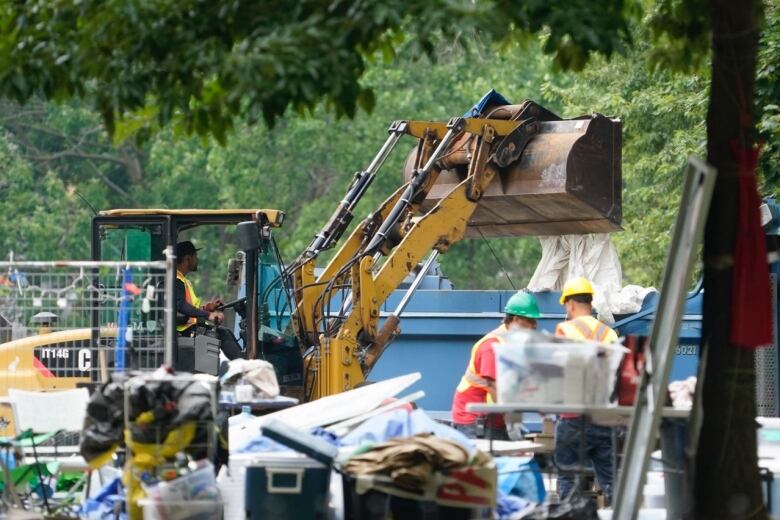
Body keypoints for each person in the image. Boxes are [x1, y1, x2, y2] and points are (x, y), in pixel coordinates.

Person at [553, 276, 618, 505]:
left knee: (569, 479)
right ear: (590, 303)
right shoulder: (609, 334)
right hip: (602, 417)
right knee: (611, 482)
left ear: (569, 304)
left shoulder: (564, 329)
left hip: (573, 417)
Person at [451, 290, 540, 440]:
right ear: (517, 320)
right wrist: (512, 423)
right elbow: (494, 387)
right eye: (531, 320)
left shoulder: (512, 345)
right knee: (481, 462)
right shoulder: (492, 346)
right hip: (474, 420)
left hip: (494, 418)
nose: (535, 326)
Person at [175, 241, 243, 360]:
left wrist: (207, 308)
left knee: (226, 332)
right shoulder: (176, 280)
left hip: (188, 327)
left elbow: (187, 307)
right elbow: (180, 306)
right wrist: (208, 315)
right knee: (223, 334)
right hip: (184, 330)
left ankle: (244, 364)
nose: (197, 260)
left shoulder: (182, 280)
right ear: (187, 259)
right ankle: (245, 368)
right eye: (195, 256)